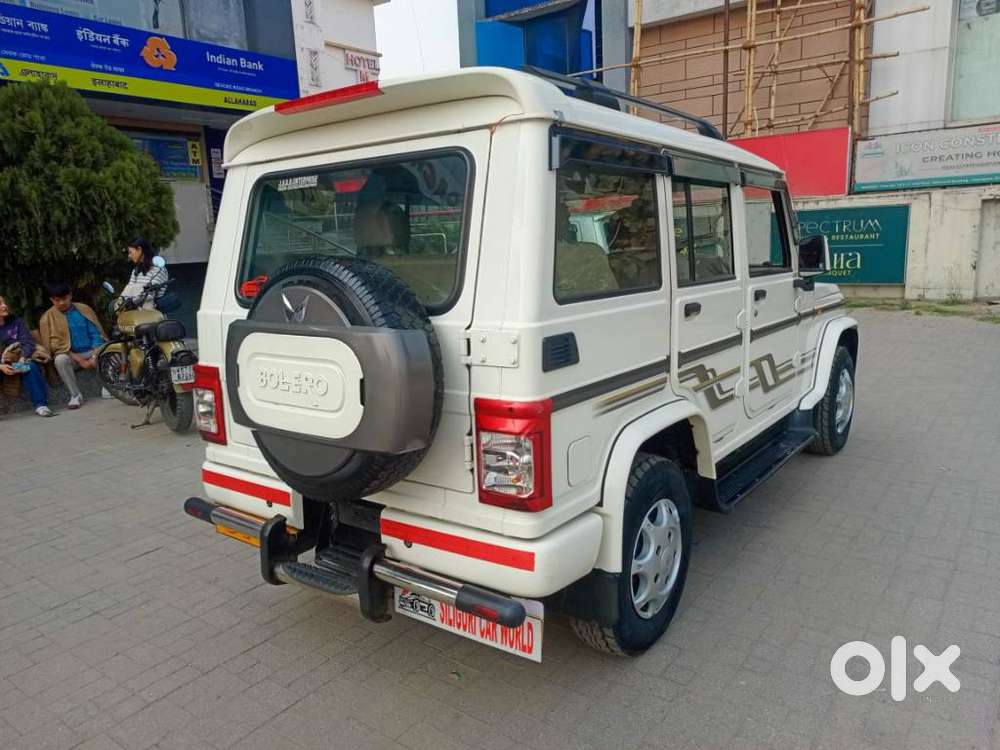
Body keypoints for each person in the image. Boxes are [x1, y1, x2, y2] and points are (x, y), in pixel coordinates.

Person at [39, 281, 108, 409]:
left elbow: (96, 334)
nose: (61, 303)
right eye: (56, 300)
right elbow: (55, 347)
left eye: (64, 299)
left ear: (70, 296)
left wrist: (94, 356)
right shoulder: (47, 318)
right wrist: (80, 360)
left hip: (92, 350)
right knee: (60, 359)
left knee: (107, 349)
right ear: (51, 300)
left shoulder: (83, 309)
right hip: (71, 355)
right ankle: (75, 395)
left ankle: (108, 387)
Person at [0, 295, 53, 417]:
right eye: (0, 304)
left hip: (18, 360)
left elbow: (28, 342)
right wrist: (1, 366)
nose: (4, 306)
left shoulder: (16, 322)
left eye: (4, 302)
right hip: (2, 366)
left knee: (31, 367)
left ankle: (41, 405)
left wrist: (23, 359)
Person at [121, 237, 169, 310]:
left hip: (151, 314)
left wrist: (132, 301)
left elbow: (150, 292)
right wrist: (122, 302)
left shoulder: (158, 269)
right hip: (133, 312)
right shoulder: (136, 270)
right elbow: (128, 290)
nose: (129, 256)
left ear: (139, 250)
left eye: (130, 252)